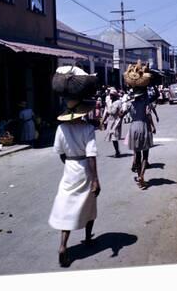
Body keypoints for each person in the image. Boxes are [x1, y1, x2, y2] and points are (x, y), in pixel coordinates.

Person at [49, 99, 101, 268]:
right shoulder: (87, 128)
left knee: (66, 206)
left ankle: (63, 245)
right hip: (85, 168)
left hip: (69, 168)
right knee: (89, 203)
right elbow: (91, 155)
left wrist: (70, 162)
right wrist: (95, 179)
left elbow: (60, 153)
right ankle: (87, 238)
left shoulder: (61, 128)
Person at [126, 86, 159, 189]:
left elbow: (121, 114)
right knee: (145, 155)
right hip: (143, 126)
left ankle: (139, 175)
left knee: (137, 154)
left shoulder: (130, 104)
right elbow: (149, 115)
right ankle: (141, 176)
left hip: (133, 127)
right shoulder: (145, 103)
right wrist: (153, 85)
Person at [101, 88, 123, 157]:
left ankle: (117, 151)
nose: (110, 96)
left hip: (116, 120)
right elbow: (107, 112)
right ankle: (117, 151)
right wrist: (103, 120)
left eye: (112, 95)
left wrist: (120, 118)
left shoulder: (119, 102)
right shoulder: (109, 102)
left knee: (114, 137)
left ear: (115, 95)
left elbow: (121, 113)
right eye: (110, 95)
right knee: (112, 137)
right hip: (110, 120)